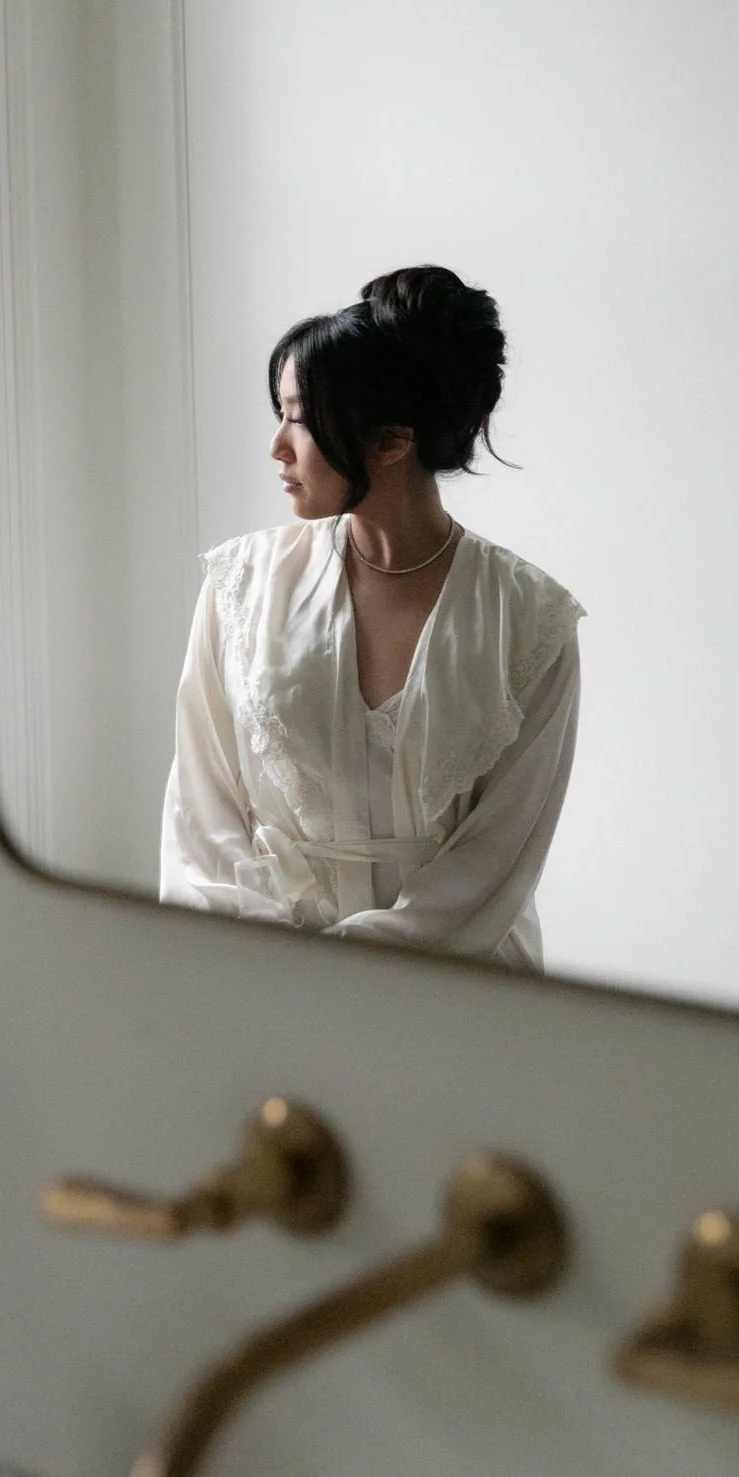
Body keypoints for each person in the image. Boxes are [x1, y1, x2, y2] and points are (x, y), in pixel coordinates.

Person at [159, 266, 583, 969]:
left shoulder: (529, 618)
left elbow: (499, 860)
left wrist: (351, 977)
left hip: (461, 989)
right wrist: (280, 969)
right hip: (260, 972)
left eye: (297, 418)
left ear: (390, 442)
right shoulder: (241, 583)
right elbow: (199, 815)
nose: (276, 447)